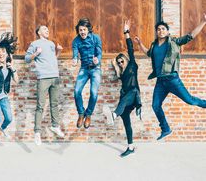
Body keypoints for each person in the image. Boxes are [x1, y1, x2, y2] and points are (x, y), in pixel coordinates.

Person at [135, 14, 206, 140]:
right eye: (158, 29)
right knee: (155, 105)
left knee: (190, 100)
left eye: (163, 29)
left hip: (172, 79)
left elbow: (191, 36)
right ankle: (165, 128)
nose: (160, 31)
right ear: (156, 32)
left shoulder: (174, 42)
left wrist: (203, 22)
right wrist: (140, 43)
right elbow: (148, 53)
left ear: (167, 32)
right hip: (160, 81)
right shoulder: (154, 45)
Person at [103, 20, 142, 157]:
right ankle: (130, 147)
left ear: (125, 59)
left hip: (133, 94)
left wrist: (126, 32)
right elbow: (116, 67)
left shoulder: (132, 65)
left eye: (121, 61)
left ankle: (113, 115)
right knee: (126, 121)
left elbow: (130, 48)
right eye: (118, 62)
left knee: (128, 95)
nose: (120, 63)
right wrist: (115, 66)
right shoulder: (121, 74)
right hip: (125, 98)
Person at [25, 25, 64, 146]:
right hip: (43, 78)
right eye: (44, 29)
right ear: (39, 32)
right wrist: (36, 53)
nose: (47, 30)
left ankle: (55, 126)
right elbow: (27, 59)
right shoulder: (35, 43)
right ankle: (37, 132)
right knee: (40, 105)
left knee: (54, 104)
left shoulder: (51, 43)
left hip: (55, 76)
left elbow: (53, 59)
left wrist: (59, 51)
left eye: (48, 29)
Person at [72, 18, 102, 129]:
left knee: (93, 93)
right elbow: (75, 53)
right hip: (84, 68)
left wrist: (97, 59)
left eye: (84, 30)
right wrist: (75, 59)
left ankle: (88, 114)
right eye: (80, 30)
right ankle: (81, 113)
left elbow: (99, 53)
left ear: (88, 29)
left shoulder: (96, 38)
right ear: (78, 31)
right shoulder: (76, 41)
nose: (82, 32)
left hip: (95, 68)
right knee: (76, 91)